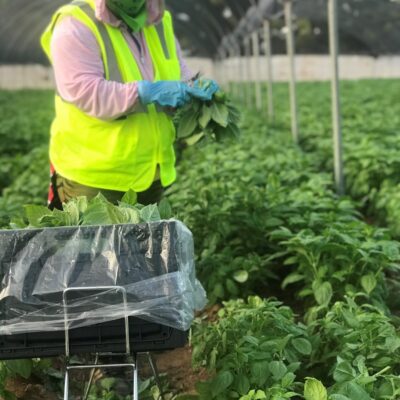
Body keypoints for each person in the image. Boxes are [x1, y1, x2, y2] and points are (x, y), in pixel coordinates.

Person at [41, 0, 218, 209]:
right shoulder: (76, 23)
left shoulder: (159, 21)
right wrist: (145, 92)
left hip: (150, 173)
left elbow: (178, 71)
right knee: (99, 242)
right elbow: (86, 92)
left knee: (145, 242)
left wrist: (195, 86)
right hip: (94, 181)